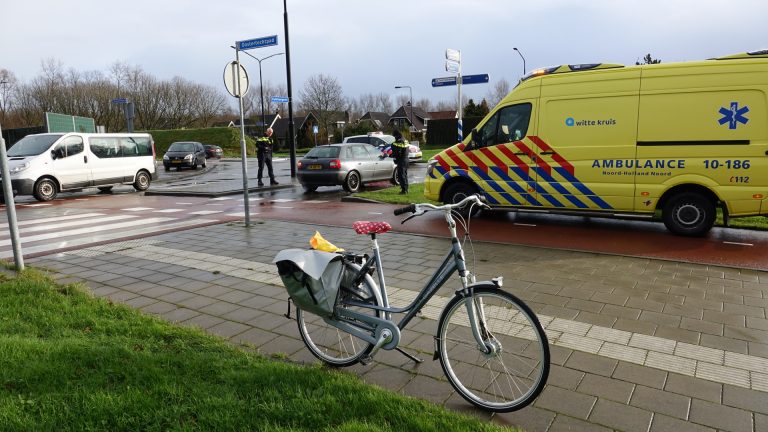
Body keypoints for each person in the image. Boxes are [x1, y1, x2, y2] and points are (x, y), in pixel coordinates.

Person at [390, 129, 409, 194]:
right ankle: (406, 189)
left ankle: (404, 191)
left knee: (401, 176)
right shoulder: (405, 141)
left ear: (395, 135)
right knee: (405, 175)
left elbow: (396, 153)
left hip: (401, 160)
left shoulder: (395, 143)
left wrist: (390, 155)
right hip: (406, 159)